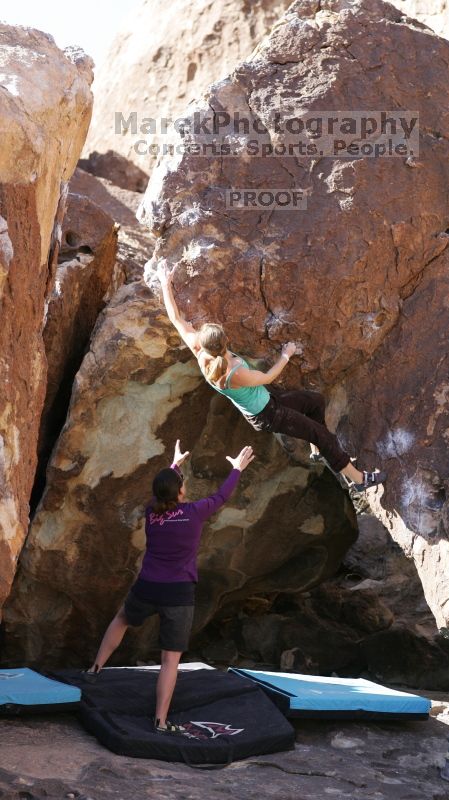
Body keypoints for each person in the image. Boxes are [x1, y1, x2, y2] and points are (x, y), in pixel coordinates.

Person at [157, 263, 385, 492]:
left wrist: (165, 283)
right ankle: (359, 480)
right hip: (268, 414)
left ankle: (318, 451)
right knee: (322, 435)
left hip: (267, 400)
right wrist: (286, 355)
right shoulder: (235, 372)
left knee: (315, 402)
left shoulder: (199, 349)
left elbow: (176, 318)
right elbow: (267, 377)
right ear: (224, 341)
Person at [82, 438, 255, 733]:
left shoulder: (153, 514)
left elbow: (163, 490)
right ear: (181, 491)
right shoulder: (194, 513)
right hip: (178, 593)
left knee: (123, 618)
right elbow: (222, 496)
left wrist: (174, 464)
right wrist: (237, 468)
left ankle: (94, 669)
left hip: (148, 586)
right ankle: (160, 721)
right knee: (169, 660)